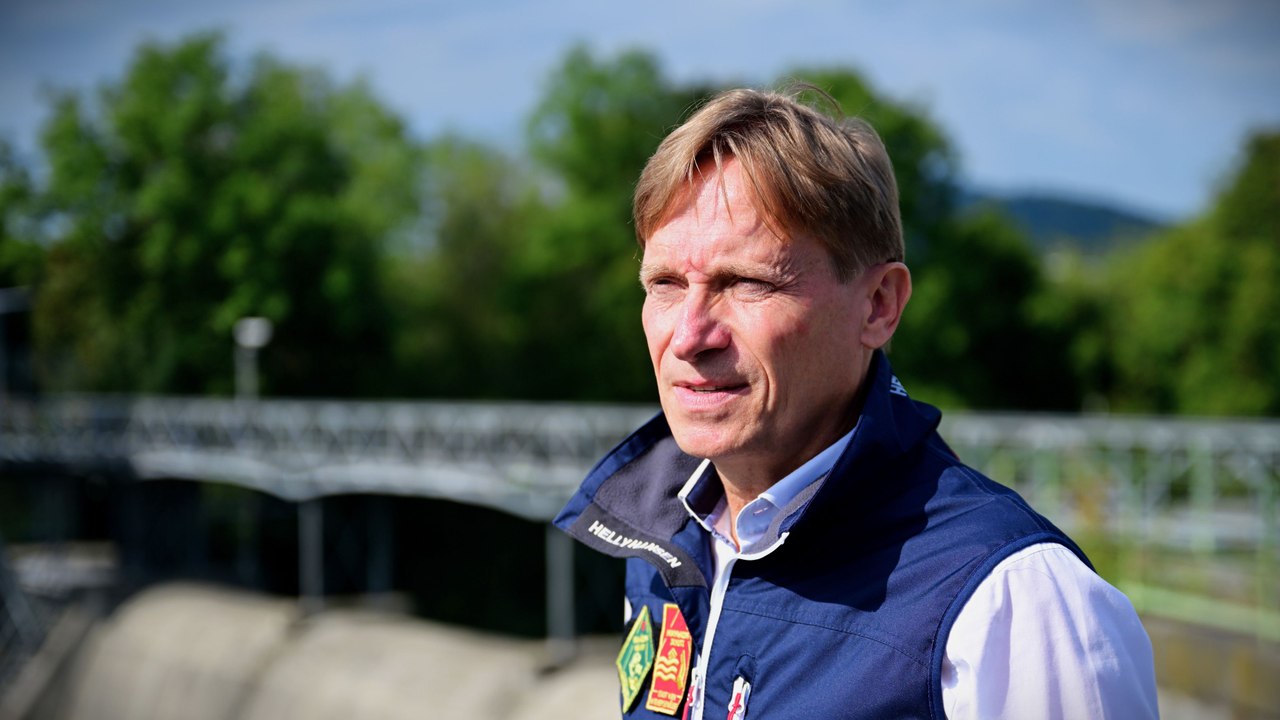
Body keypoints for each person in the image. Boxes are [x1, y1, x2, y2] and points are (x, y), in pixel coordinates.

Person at [553, 87, 1158, 720]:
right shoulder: (662, 546)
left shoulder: (1012, 603)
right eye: (666, 285)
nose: (689, 335)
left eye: (748, 283)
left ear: (879, 306)